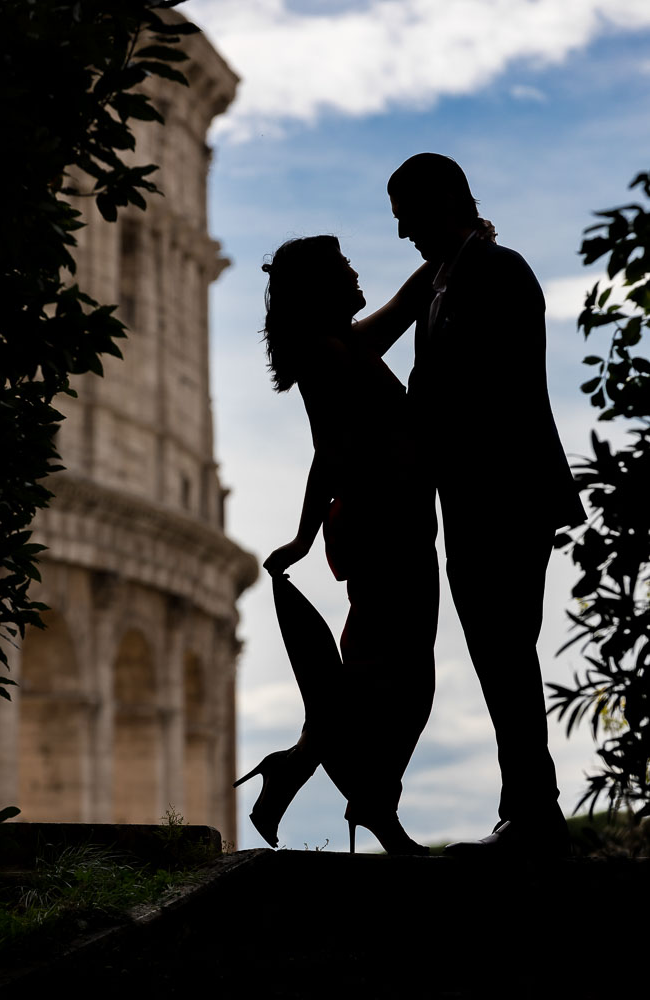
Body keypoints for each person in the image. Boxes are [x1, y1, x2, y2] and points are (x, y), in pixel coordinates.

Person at [384, 153, 586, 856]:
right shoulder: (445, 282)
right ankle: (529, 811)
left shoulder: (495, 273)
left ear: (444, 202)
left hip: (504, 496)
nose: (402, 232)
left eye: (406, 216)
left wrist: (414, 441)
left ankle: (532, 816)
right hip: (475, 500)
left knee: (503, 650)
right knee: (499, 654)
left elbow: (478, 388)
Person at [234, 235, 439, 854]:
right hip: (384, 525)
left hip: (388, 522)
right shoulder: (329, 353)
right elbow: (333, 451)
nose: (355, 271)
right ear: (322, 286)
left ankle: (311, 769)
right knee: (399, 680)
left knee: (388, 674)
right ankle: (364, 798)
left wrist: (455, 246)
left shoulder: (341, 346)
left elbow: (407, 301)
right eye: (342, 265)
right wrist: (302, 534)